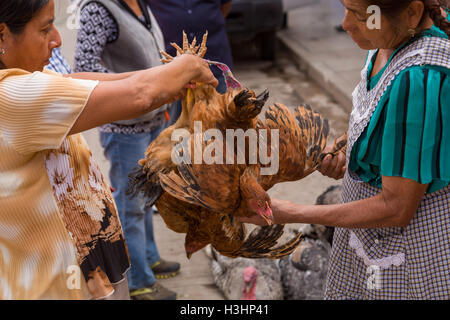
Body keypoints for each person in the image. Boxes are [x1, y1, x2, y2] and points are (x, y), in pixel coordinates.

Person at [0, 0, 217, 300]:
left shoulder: (26, 80)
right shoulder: (11, 95)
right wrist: (188, 65)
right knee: (134, 205)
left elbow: (82, 81)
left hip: (86, 271)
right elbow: (139, 94)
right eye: (45, 28)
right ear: (2, 35)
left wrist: (166, 81)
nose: (57, 39)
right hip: (53, 287)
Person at [241, 0, 450, 299]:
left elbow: (396, 207)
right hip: (368, 243)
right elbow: (388, 123)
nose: (345, 24)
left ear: (413, 12)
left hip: (409, 260)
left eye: (360, 16)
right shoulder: (387, 40)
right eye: (346, 8)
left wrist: (288, 212)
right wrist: (350, 146)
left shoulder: (418, 78)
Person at [73, 0, 188, 300]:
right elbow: (84, 66)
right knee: (130, 204)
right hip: (124, 126)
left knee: (147, 195)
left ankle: (148, 257)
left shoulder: (140, 4)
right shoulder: (99, 9)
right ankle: (137, 281)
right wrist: (135, 87)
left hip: (151, 118)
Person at [147, 0, 233, 124]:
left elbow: (225, 5)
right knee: (176, 129)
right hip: (170, 68)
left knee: (222, 123)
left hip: (214, 61)